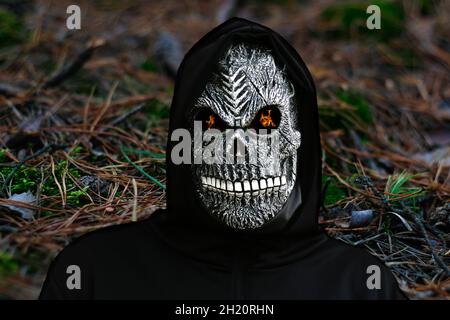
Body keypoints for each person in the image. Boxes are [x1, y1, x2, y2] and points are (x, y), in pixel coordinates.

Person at [39, 17, 405, 300]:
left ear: (298, 139)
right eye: (211, 124)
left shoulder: (361, 285)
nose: (238, 149)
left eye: (265, 121)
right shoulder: (94, 273)